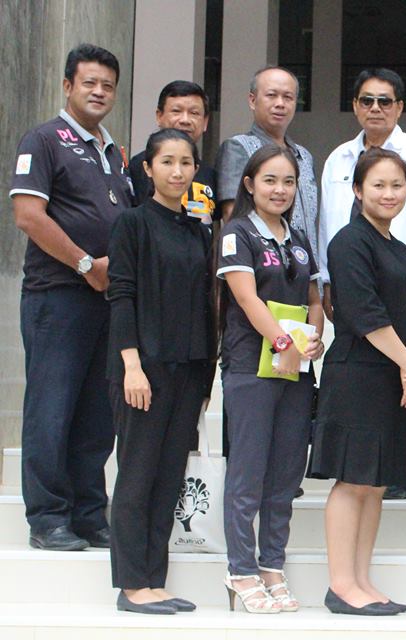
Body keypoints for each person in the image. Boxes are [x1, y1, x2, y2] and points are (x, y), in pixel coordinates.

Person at [10, 43, 130, 551]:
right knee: (52, 409)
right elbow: (28, 216)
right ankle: (47, 517)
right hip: (58, 296)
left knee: (96, 415)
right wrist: (85, 265)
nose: (99, 92)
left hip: (107, 301)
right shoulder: (43, 140)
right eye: (89, 83)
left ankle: (88, 513)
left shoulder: (114, 152)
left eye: (107, 85)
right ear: (67, 86)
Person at [318, 67, 406, 500]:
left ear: (400, 107)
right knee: (356, 469)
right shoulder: (338, 159)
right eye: (367, 100)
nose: (376, 108)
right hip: (356, 293)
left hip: (404, 284)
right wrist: (328, 283)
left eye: (385, 101)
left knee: (378, 463)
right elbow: (328, 226)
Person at [310, 148, 406, 616]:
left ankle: (361, 580)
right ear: (358, 190)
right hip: (357, 373)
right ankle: (341, 585)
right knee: (353, 480)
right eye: (378, 185)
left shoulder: (399, 248)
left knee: (375, 483)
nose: (389, 193)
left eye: (397, 185)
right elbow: (364, 313)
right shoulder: (349, 242)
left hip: (392, 375)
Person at [107, 129, 216, 615]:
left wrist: (206, 377)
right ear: (148, 169)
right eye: (167, 162)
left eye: (186, 163)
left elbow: (206, 304)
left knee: (169, 476)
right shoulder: (131, 223)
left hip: (188, 370)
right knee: (137, 474)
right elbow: (121, 295)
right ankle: (132, 584)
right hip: (143, 369)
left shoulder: (199, 230)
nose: (177, 171)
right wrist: (131, 365)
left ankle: (156, 579)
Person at [217, 145, 324, 613]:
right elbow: (246, 298)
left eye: (288, 182)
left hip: (295, 370)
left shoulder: (298, 237)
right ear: (249, 184)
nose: (280, 190)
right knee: (248, 472)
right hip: (250, 367)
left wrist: (312, 339)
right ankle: (240, 570)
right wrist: (284, 342)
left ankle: (271, 566)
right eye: (270, 180)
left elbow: (314, 299)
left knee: (284, 475)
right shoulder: (237, 233)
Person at [216, 66, 319, 260]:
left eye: (288, 97)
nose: (280, 104)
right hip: (263, 267)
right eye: (271, 95)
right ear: (252, 100)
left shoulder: (304, 156)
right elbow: (233, 215)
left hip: (306, 267)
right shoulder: (238, 148)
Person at [129, 81, 217, 224]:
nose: (185, 120)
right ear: (159, 116)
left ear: (205, 122)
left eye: (194, 113)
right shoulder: (139, 165)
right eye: (176, 111)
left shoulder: (210, 174)